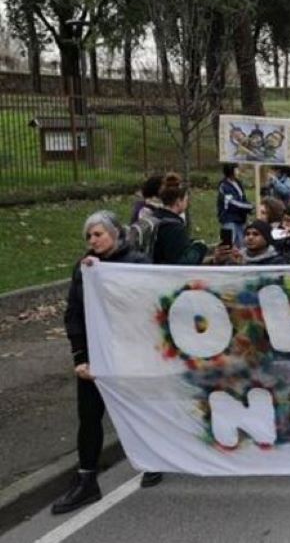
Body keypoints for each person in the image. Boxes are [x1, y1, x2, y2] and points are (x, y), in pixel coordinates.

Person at [52, 211, 156, 515]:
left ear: (116, 234)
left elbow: (144, 305)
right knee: (89, 416)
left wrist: (105, 275)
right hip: (96, 355)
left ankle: (153, 459)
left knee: (138, 409)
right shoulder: (84, 268)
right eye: (88, 236)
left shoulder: (137, 263)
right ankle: (86, 481)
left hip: (128, 353)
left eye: (98, 234)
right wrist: (80, 357)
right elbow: (73, 314)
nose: (92, 240)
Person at [152, 173, 209, 265]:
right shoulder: (174, 228)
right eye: (186, 200)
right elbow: (181, 262)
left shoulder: (155, 217)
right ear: (178, 202)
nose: (187, 203)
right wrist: (200, 247)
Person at [213, 220, 288, 265]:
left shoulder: (277, 261)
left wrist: (243, 266)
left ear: (267, 239)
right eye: (247, 234)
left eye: (256, 234)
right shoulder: (237, 257)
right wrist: (217, 261)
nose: (250, 237)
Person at [217, 163, 252, 248]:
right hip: (229, 219)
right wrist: (249, 207)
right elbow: (232, 203)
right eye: (237, 169)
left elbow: (243, 198)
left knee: (242, 245)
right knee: (229, 245)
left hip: (240, 219)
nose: (238, 171)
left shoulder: (238, 183)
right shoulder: (224, 185)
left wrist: (248, 207)